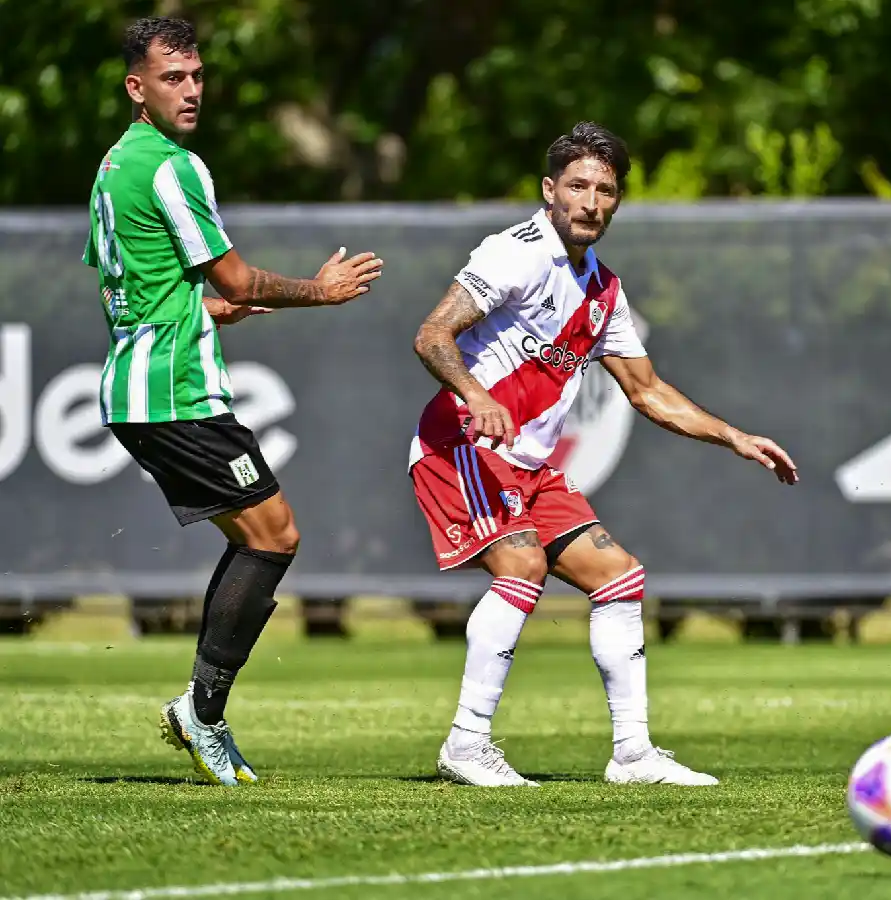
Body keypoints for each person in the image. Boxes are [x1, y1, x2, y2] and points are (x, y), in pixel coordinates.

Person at [409, 121, 798, 787]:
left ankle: (633, 755)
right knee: (523, 564)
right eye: (578, 186)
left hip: (528, 466)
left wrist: (734, 435)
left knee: (619, 576)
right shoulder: (516, 253)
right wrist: (475, 393)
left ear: (617, 201)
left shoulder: (603, 291)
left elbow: (647, 391)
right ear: (549, 190)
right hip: (461, 446)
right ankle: (466, 745)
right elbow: (432, 333)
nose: (591, 201)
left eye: (605, 190)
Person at [84, 16, 383, 786]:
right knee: (275, 536)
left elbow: (140, 295)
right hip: (173, 394)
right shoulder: (169, 167)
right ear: (136, 87)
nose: (190, 90)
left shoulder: (112, 167)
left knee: (261, 537)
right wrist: (321, 290)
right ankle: (202, 713)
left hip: (137, 388)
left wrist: (212, 313)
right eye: (172, 78)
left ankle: (202, 708)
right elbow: (238, 277)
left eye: (197, 75)